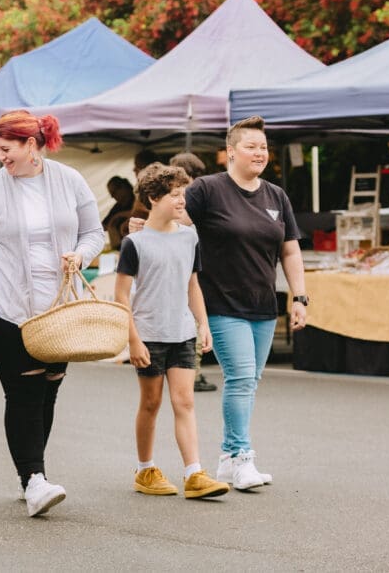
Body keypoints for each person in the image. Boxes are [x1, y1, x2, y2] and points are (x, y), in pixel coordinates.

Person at [0, 109, 104, 517]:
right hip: (4, 309)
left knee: (49, 387)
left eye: (6, 149)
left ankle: (31, 476)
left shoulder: (69, 180)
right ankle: (35, 479)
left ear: (31, 145)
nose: (1, 156)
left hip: (57, 309)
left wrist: (81, 253)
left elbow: (95, 232)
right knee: (24, 390)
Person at [185, 115, 307, 491]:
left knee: (249, 382)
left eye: (264, 148)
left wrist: (299, 296)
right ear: (230, 151)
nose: (259, 153)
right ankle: (241, 457)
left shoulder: (276, 196)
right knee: (239, 379)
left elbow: (290, 250)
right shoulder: (207, 190)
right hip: (220, 302)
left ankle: (226, 459)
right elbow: (174, 221)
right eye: (251, 146)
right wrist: (147, 228)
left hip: (262, 305)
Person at [115, 164, 230, 500]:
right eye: (175, 195)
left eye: (184, 195)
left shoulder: (189, 237)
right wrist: (132, 339)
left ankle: (194, 473)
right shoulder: (134, 243)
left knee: (185, 401)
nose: (182, 201)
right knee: (150, 403)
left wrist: (203, 323)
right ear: (153, 198)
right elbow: (121, 295)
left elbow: (192, 284)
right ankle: (145, 468)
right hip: (148, 334)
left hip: (182, 332)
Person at [168, 152, 217, 393]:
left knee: (187, 315)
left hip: (184, 263)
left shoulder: (181, 197)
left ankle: (185, 368)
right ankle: (193, 371)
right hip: (194, 263)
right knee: (194, 318)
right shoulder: (195, 197)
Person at [102, 175, 135, 250]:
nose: (113, 197)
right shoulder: (117, 207)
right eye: (111, 195)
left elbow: (142, 214)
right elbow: (104, 225)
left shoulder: (139, 199)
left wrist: (119, 216)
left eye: (114, 193)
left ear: (123, 187)